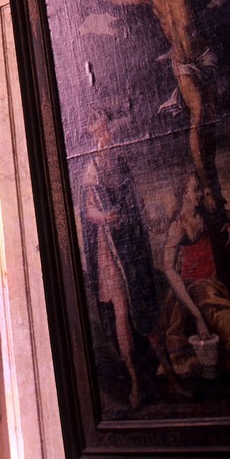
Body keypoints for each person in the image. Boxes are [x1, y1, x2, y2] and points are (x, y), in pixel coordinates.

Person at [79, 0, 230, 205]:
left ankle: (210, 166)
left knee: (209, 112)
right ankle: (207, 181)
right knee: (197, 114)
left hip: (204, 56)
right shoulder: (151, 1)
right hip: (182, 62)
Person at [80, 112, 160, 407]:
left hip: (129, 243)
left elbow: (134, 200)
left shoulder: (120, 165)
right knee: (122, 313)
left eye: (107, 132)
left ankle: (166, 369)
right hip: (108, 249)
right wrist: (106, 217)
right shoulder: (91, 170)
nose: (105, 138)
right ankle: (135, 382)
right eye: (100, 133)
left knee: (144, 302)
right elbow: (89, 211)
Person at [162, 172, 230, 378]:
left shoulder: (205, 215)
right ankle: (205, 364)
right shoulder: (179, 225)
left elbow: (218, 227)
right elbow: (169, 269)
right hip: (198, 294)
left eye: (200, 189)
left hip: (216, 288)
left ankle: (212, 363)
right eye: (195, 189)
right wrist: (196, 315)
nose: (200, 194)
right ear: (184, 193)